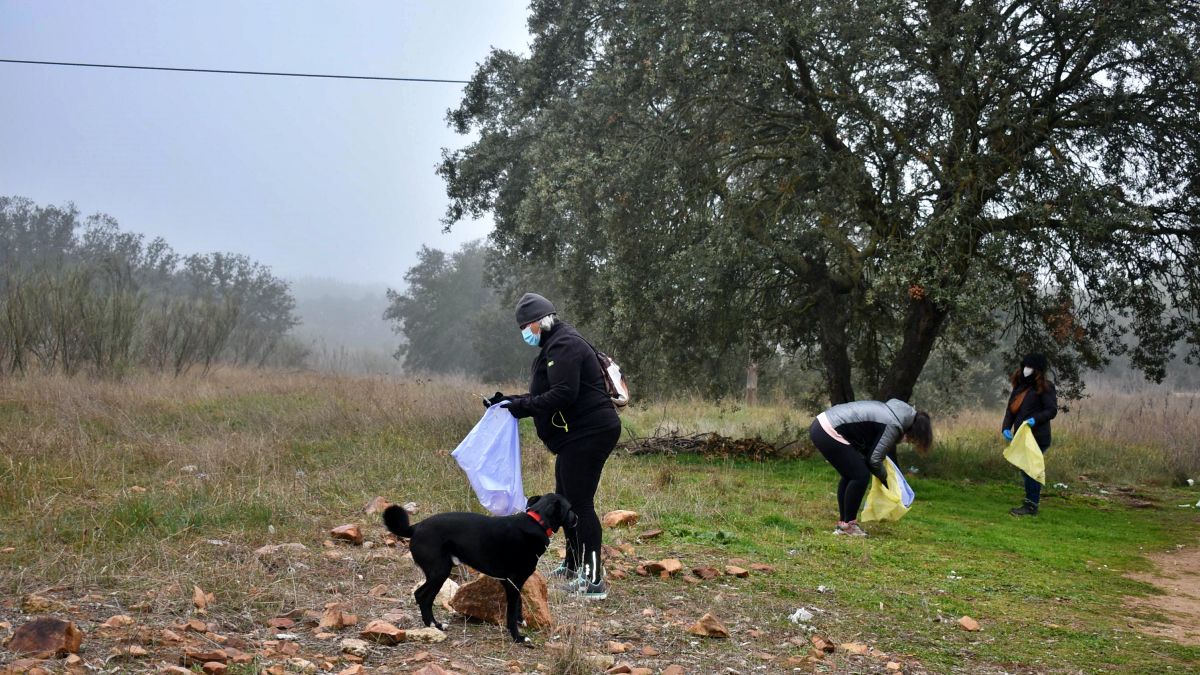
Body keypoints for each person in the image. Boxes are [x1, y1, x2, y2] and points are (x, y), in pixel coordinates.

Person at [484, 293, 621, 599]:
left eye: (525, 326)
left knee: (580, 504)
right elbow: (548, 391)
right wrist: (511, 401)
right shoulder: (556, 344)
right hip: (577, 435)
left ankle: (593, 578)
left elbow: (563, 394)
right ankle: (573, 564)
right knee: (564, 499)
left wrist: (521, 406)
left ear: (539, 322)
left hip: (589, 433)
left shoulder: (565, 345)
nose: (524, 332)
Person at [809, 399, 932, 536]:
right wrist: (886, 480)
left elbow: (869, 449)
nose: (908, 441)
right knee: (860, 476)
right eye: (912, 439)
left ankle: (844, 525)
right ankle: (849, 526)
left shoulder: (890, 412)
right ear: (914, 430)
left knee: (850, 474)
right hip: (828, 430)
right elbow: (874, 460)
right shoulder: (893, 424)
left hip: (820, 425)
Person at [1001, 353, 1058, 517]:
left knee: (1031, 471)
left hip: (1037, 437)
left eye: (1030, 367)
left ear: (1038, 370)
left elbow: (1051, 410)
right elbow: (1010, 410)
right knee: (1025, 470)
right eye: (1025, 366)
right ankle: (1029, 502)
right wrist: (1006, 427)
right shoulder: (1019, 386)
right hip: (1021, 437)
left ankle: (1031, 505)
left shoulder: (1046, 387)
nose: (1026, 370)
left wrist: (1035, 419)